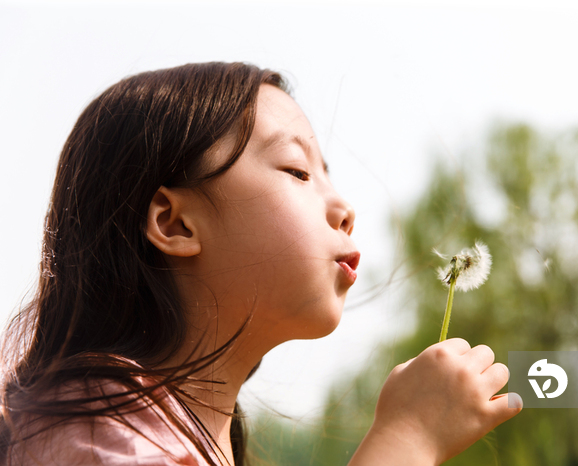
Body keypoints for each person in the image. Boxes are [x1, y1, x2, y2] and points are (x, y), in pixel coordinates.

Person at [0, 62, 521, 466]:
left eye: (326, 174)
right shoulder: (96, 434)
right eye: (297, 171)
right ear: (175, 225)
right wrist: (408, 440)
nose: (344, 208)